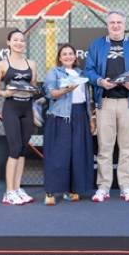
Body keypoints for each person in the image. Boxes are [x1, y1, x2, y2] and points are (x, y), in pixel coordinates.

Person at [85, 10, 129, 203]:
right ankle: (103, 187)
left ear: (124, 24)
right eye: (112, 22)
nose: (116, 25)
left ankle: (126, 187)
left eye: (119, 22)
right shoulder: (97, 45)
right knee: (104, 148)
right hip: (105, 101)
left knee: (127, 147)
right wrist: (100, 81)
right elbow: (89, 70)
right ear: (107, 25)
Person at [43, 44, 95, 206]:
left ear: (75, 56)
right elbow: (50, 93)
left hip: (80, 115)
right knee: (58, 155)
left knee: (78, 154)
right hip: (61, 116)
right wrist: (66, 89)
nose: (68, 56)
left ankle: (72, 190)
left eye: (70, 53)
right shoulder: (54, 72)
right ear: (59, 58)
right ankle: (50, 191)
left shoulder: (82, 74)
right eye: (64, 54)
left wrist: (91, 119)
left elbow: (88, 99)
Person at [0, 29, 38, 206]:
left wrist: (32, 91)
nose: (19, 43)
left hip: (27, 108)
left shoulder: (31, 64)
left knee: (23, 149)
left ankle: (17, 188)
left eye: (22, 40)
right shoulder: (2, 64)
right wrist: (5, 93)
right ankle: (8, 192)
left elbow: (34, 86)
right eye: (15, 40)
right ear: (8, 42)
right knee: (15, 148)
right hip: (11, 108)